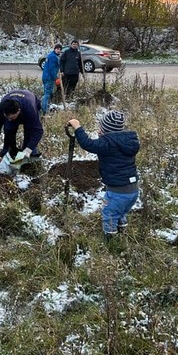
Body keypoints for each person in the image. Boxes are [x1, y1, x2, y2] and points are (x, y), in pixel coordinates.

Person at [68, 111, 140, 240]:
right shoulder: (129, 141)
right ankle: (122, 233)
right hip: (133, 189)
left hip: (117, 191)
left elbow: (87, 144)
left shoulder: (107, 144)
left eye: (101, 127)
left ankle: (110, 242)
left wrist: (77, 127)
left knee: (109, 215)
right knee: (120, 212)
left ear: (106, 130)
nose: (98, 130)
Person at [0, 89, 43, 163]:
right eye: (7, 117)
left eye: (12, 117)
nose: (9, 119)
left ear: (19, 111)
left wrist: (28, 149)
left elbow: (38, 131)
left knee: (29, 132)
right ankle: (9, 153)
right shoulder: (1, 108)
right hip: (15, 104)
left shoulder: (30, 109)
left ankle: (30, 157)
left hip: (29, 104)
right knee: (8, 129)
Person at [41, 43, 62, 114]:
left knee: (47, 93)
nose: (59, 50)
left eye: (60, 49)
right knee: (47, 94)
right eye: (57, 49)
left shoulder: (50, 55)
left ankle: (43, 106)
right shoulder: (53, 57)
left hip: (45, 76)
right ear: (54, 49)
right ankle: (45, 110)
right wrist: (56, 78)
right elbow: (52, 69)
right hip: (49, 78)